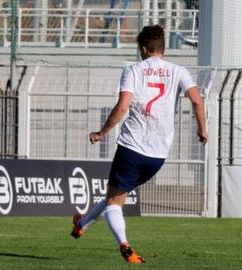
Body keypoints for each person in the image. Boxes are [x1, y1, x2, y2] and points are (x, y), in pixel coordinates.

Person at [70, 25, 208, 264]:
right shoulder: (179, 71)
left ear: (143, 49)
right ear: (162, 48)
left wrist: (102, 132)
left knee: (114, 203)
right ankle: (80, 225)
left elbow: (123, 107)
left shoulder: (133, 70)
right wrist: (202, 129)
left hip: (132, 147)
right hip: (158, 156)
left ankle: (124, 245)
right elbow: (196, 100)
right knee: (115, 196)